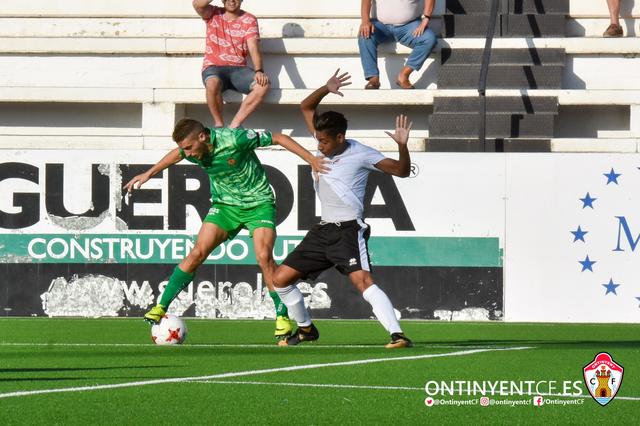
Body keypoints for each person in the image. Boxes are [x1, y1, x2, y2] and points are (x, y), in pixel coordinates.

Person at [124, 118, 326, 341]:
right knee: (197, 252)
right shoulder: (190, 149)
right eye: (184, 149)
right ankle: (161, 306)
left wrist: (311, 159)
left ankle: (281, 316)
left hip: (259, 204)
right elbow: (177, 154)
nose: (187, 154)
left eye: (189, 148)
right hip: (225, 206)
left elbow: (278, 137)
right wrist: (149, 173)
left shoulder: (234, 139)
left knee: (263, 256)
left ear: (202, 137)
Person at [272, 70, 414, 348]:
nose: (319, 145)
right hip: (323, 230)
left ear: (339, 137)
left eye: (324, 141)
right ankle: (306, 330)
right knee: (280, 279)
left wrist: (402, 147)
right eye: (317, 140)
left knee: (363, 282)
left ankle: (398, 335)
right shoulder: (325, 143)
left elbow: (401, 171)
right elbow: (306, 106)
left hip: (348, 231)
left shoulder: (361, 153)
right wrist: (326, 87)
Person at [193, 0, 269, 127]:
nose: (232, 0)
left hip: (239, 69)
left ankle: (235, 125)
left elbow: (253, 46)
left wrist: (259, 70)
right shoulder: (212, 13)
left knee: (262, 86)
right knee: (212, 83)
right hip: (214, 67)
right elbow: (197, 4)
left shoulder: (249, 19)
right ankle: (219, 125)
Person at [358, 0, 437, 89]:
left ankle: (403, 75)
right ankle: (373, 78)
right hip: (381, 25)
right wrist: (365, 21)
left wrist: (426, 18)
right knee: (364, 34)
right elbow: (366, 1)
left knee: (429, 39)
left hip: (409, 25)